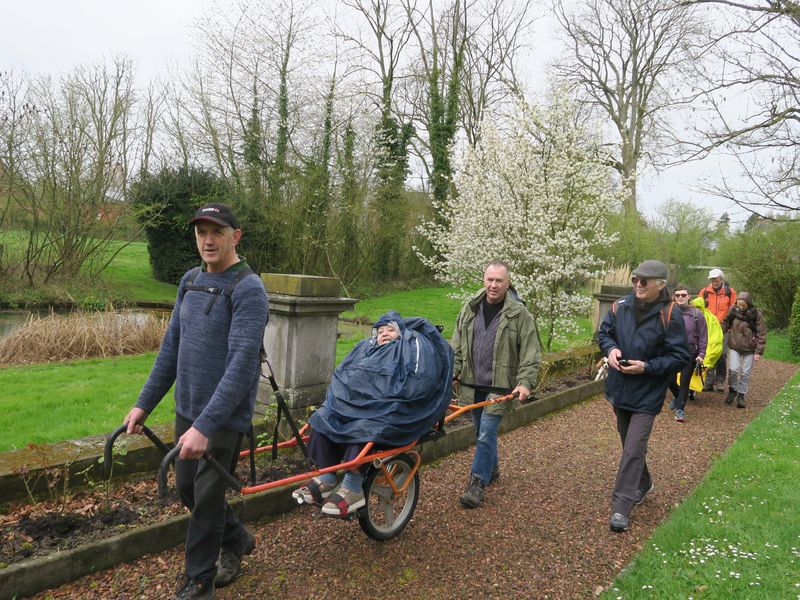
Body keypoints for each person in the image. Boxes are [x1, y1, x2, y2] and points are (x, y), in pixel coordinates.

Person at [124, 203, 269, 600]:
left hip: (221, 418)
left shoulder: (248, 289)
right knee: (188, 488)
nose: (207, 239)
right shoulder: (189, 281)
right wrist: (144, 404)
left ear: (234, 236)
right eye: (201, 231)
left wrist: (205, 427)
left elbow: (241, 367)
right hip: (187, 408)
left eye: (216, 232)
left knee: (205, 499)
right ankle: (237, 537)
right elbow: (170, 350)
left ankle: (199, 579)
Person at [293, 311, 453, 516]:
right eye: (380, 330)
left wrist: (382, 401)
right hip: (352, 404)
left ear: (401, 334)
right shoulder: (365, 348)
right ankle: (325, 476)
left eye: (391, 330)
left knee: (364, 426)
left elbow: (418, 382)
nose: (385, 333)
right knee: (323, 418)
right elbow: (343, 374)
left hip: (385, 407)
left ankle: (353, 487)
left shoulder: (410, 349)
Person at [598, 260, 690, 533]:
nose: (638, 284)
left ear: (660, 285)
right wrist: (611, 348)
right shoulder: (620, 306)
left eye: (644, 281)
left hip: (648, 393)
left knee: (633, 448)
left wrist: (647, 367)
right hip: (619, 389)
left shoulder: (670, 313)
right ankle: (644, 482)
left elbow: (679, 357)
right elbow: (604, 333)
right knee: (630, 446)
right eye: (635, 279)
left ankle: (621, 507)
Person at [451, 261, 540, 509]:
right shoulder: (469, 309)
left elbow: (530, 353)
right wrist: (453, 371)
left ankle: (477, 482)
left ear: (507, 283)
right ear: (484, 280)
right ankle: (493, 467)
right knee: (482, 430)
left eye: (499, 281)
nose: (493, 285)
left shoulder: (519, 314)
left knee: (486, 431)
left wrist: (524, 382)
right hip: (471, 384)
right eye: (489, 279)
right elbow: (456, 345)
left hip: (500, 388)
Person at [666, 285, 707, 422]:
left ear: (689, 296)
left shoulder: (697, 314)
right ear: (674, 297)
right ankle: (678, 398)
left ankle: (680, 410)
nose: (680, 297)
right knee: (669, 379)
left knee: (684, 381)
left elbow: (703, 335)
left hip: (690, 352)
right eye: (677, 295)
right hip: (672, 352)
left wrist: (701, 354)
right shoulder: (669, 312)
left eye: (683, 295)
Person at [721, 292, 766, 408]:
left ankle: (741, 395)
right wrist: (718, 334)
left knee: (745, 373)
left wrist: (758, 352)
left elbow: (762, 333)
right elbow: (726, 323)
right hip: (735, 345)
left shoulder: (756, 314)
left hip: (750, 347)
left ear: (749, 304)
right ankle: (732, 390)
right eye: (739, 304)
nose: (740, 307)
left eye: (743, 305)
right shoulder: (733, 310)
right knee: (733, 370)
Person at [697, 268, 737, 391]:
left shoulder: (730, 292)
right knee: (708, 353)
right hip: (708, 328)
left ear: (721, 279)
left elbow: (733, 311)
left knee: (721, 354)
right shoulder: (704, 292)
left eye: (717, 279)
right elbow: (698, 309)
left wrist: (727, 327)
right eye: (712, 279)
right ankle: (708, 381)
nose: (715, 281)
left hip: (723, 328)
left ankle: (720, 381)